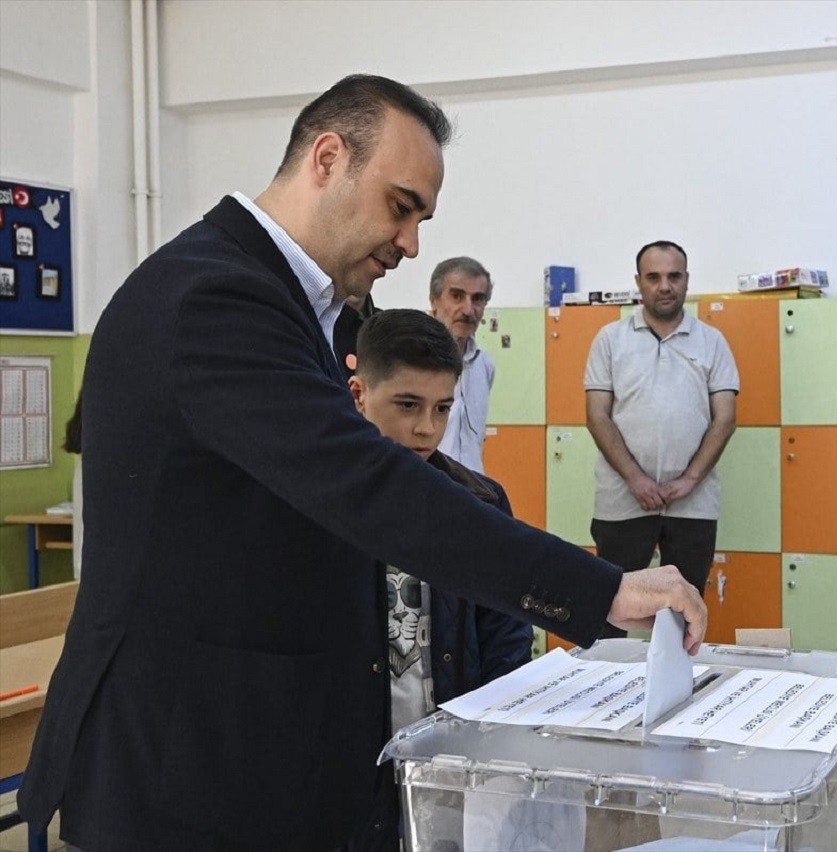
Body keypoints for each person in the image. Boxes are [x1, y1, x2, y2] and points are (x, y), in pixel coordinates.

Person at [18, 74, 706, 852]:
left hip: (249, 752)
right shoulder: (213, 297)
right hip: (180, 766)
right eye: (401, 206)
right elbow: (370, 489)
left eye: (421, 218)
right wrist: (602, 590)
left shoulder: (297, 305)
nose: (410, 242)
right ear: (327, 157)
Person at [348, 308, 532, 848]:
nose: (426, 427)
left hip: (449, 748)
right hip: (349, 757)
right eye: (406, 405)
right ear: (359, 394)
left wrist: (491, 731)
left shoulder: (478, 501)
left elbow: (506, 629)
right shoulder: (321, 507)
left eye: (442, 408)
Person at [585, 240, 738, 640]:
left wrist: (688, 481)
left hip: (693, 504)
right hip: (622, 501)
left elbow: (725, 419)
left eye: (674, 276)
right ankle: (605, 693)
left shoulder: (712, 341)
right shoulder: (610, 339)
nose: (664, 285)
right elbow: (597, 415)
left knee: (685, 616)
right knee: (608, 611)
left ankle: (676, 695)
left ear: (686, 280)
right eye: (654, 277)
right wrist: (636, 479)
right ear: (639, 282)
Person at [428, 256, 494, 472]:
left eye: (478, 299)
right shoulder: (411, 359)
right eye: (457, 296)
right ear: (434, 300)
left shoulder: (484, 364)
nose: (468, 310)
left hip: (472, 489)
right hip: (426, 485)